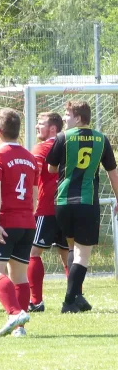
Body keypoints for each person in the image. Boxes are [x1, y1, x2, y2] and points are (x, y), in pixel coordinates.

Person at [46, 101, 118, 313]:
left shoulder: (62, 138)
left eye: (67, 115)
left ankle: (78, 298)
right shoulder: (101, 139)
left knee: (71, 247)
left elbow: (51, 169)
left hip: (63, 203)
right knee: (82, 255)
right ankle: (69, 301)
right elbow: (113, 173)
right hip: (87, 203)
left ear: (78, 118)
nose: (65, 119)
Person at [0, 108, 39, 337]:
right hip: (27, 222)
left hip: (5, 222)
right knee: (19, 275)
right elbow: (34, 193)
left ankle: (15, 313)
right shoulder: (29, 157)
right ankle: (19, 328)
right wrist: (28, 215)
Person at [27, 112, 69, 313]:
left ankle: (36, 301)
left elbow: (31, 175)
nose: (36, 126)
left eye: (41, 123)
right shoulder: (69, 145)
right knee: (67, 252)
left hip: (45, 207)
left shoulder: (42, 147)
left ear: (53, 129)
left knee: (32, 252)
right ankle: (74, 297)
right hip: (67, 206)